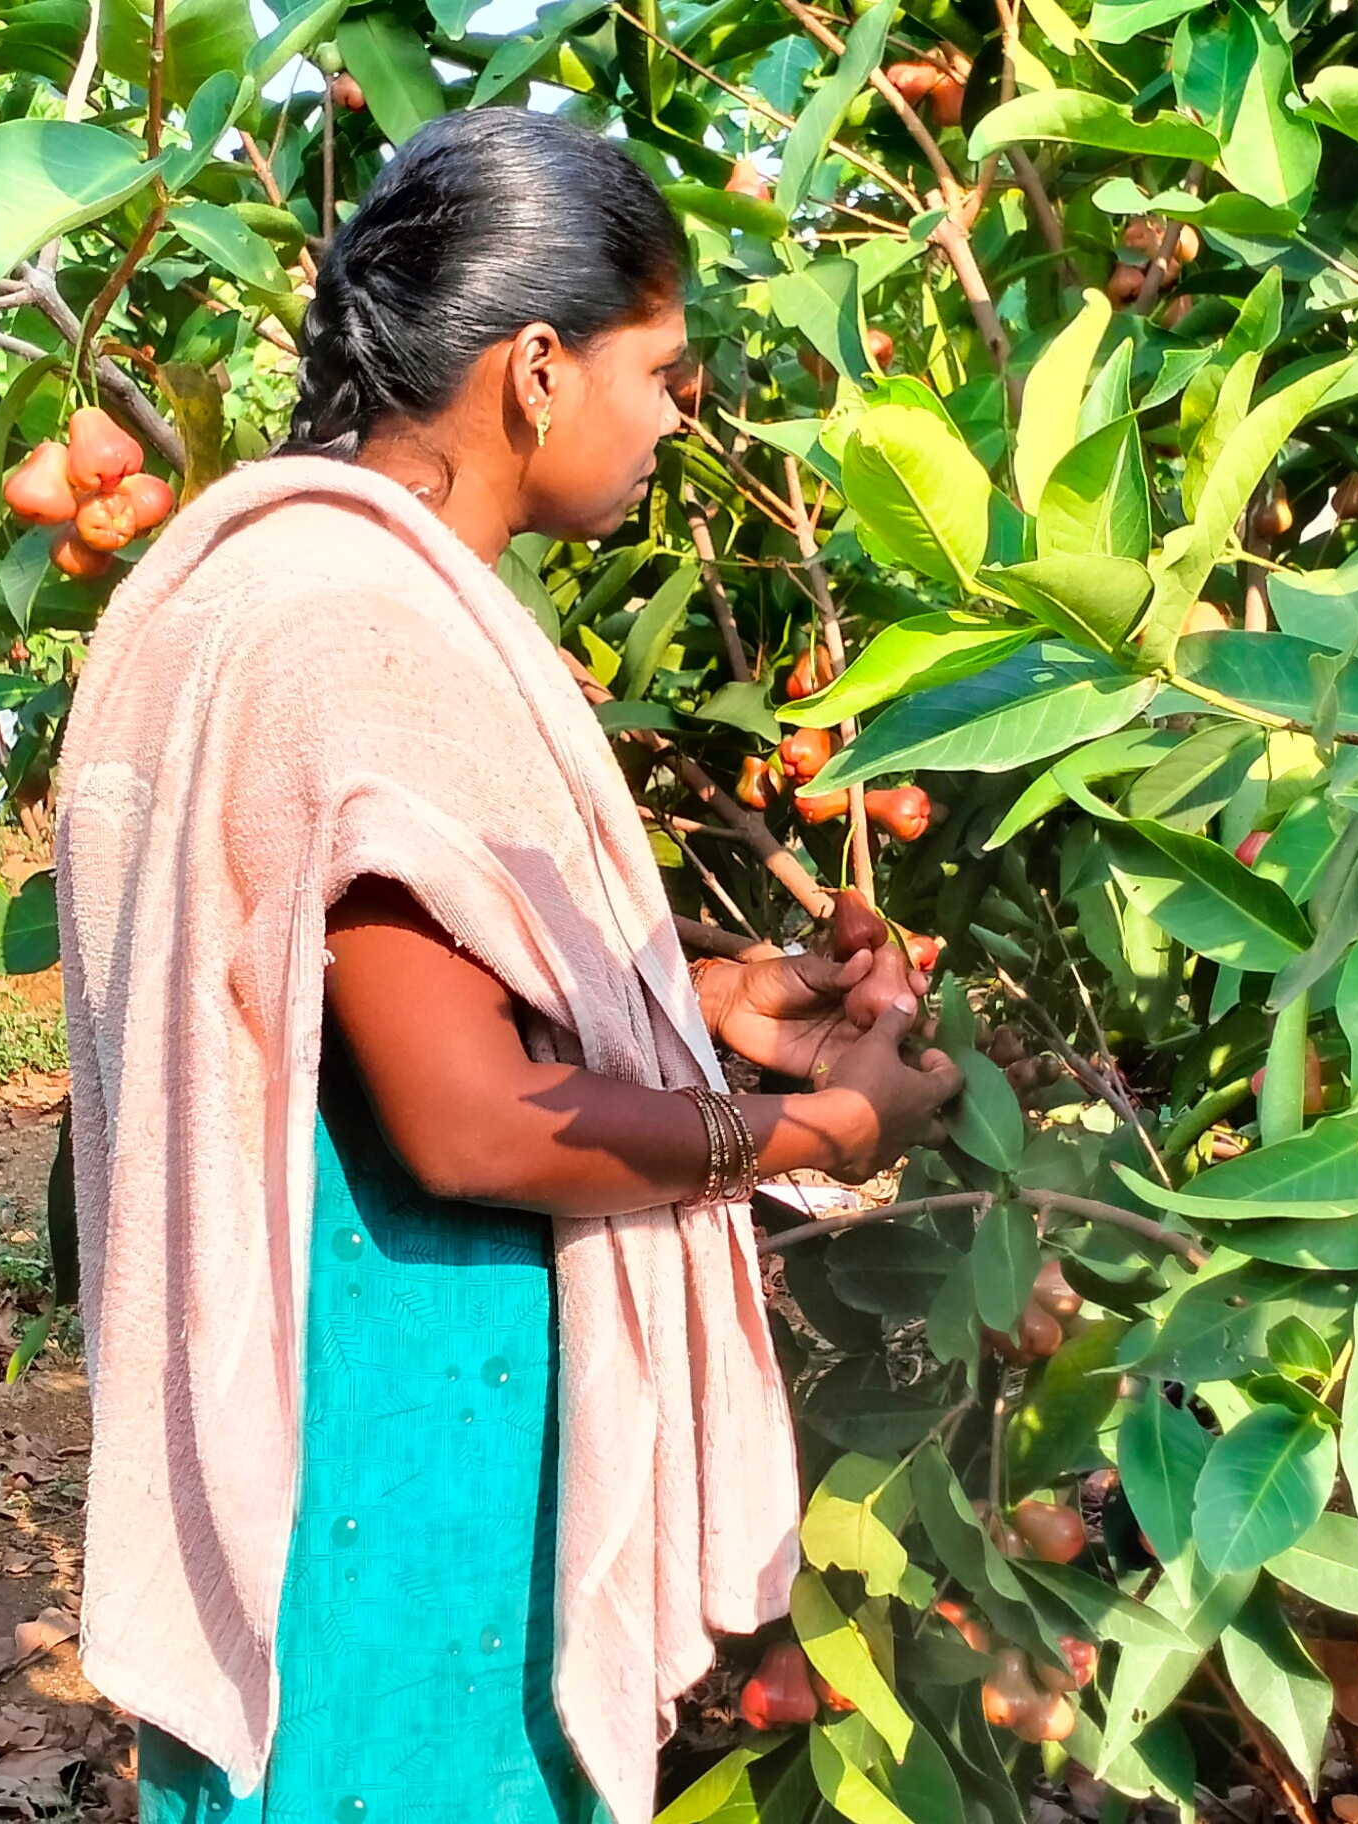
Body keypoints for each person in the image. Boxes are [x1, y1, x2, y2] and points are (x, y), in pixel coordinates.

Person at [53, 109, 965, 1824]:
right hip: (401, 1412)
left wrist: (689, 994)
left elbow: (333, 964)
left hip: (324, 1366)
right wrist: (818, 1137)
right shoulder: (354, 630)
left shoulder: (257, 584)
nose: (678, 418)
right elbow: (473, 1120)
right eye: (663, 370)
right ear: (539, 368)